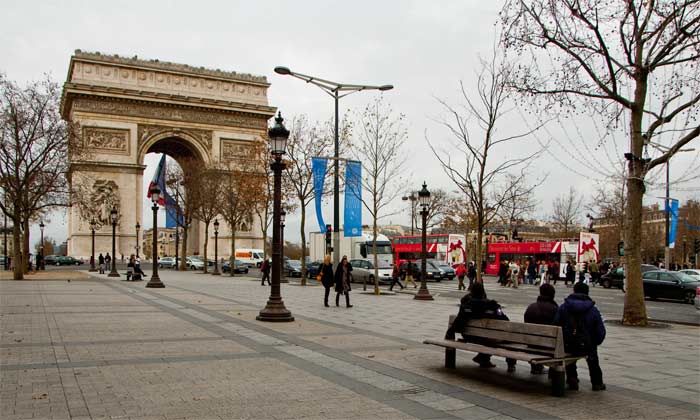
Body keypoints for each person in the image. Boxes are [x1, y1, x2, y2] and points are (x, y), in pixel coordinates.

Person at [444, 283, 517, 372]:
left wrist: (449, 332)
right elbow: (505, 320)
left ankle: (483, 358)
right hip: (488, 338)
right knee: (509, 339)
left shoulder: (466, 306)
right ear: (483, 292)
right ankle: (510, 364)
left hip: (469, 337)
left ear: (471, 292)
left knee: (491, 339)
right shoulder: (492, 305)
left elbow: (458, 322)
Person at [554, 282, 606, 391]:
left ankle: (572, 378)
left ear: (574, 291)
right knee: (593, 359)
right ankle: (597, 382)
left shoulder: (564, 307)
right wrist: (595, 342)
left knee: (569, 353)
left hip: (568, 343)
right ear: (587, 293)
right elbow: (600, 331)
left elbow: (556, 324)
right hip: (587, 344)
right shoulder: (593, 310)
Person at [524, 284, 558, 374]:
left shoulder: (531, 307)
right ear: (552, 295)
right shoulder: (554, 309)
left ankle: (536, 367)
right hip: (548, 345)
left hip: (531, 343)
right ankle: (553, 371)